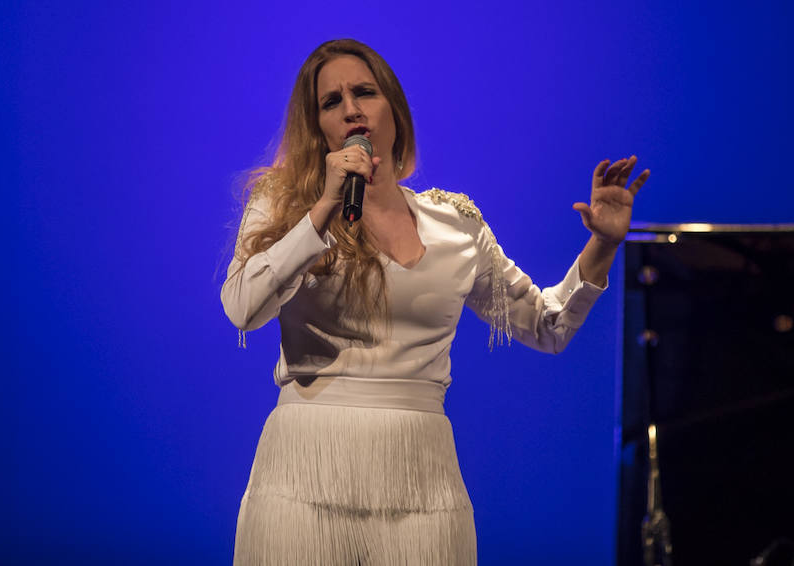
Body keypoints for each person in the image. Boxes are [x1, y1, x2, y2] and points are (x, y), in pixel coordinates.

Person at [221, 38, 650, 566]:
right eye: (331, 102)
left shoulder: (456, 225)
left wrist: (603, 242)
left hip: (421, 476)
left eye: (364, 92)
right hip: (305, 466)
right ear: (320, 129)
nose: (351, 109)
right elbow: (242, 306)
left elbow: (547, 325)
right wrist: (324, 209)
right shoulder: (286, 205)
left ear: (394, 111)